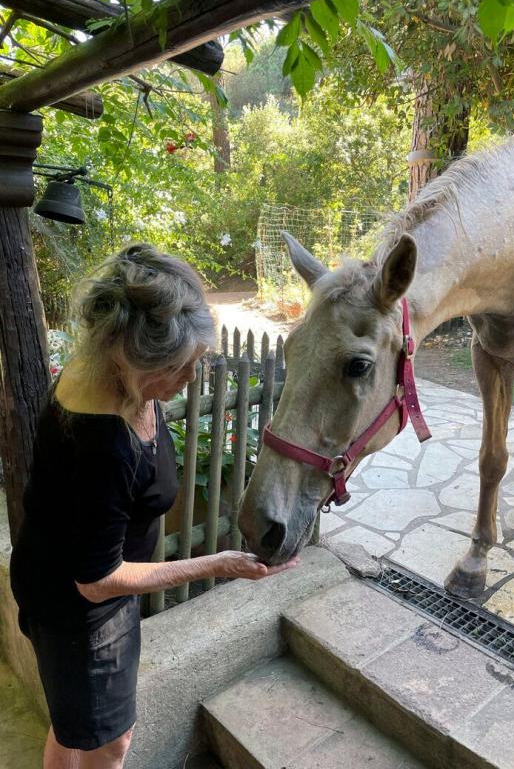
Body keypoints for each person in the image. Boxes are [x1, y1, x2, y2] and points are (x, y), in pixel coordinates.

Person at [10, 243, 298, 769]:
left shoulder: (107, 372)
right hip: (79, 612)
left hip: (77, 585)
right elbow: (95, 579)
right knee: (110, 740)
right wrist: (220, 564)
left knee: (75, 722)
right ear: (133, 360)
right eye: (180, 366)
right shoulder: (105, 445)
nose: (192, 378)